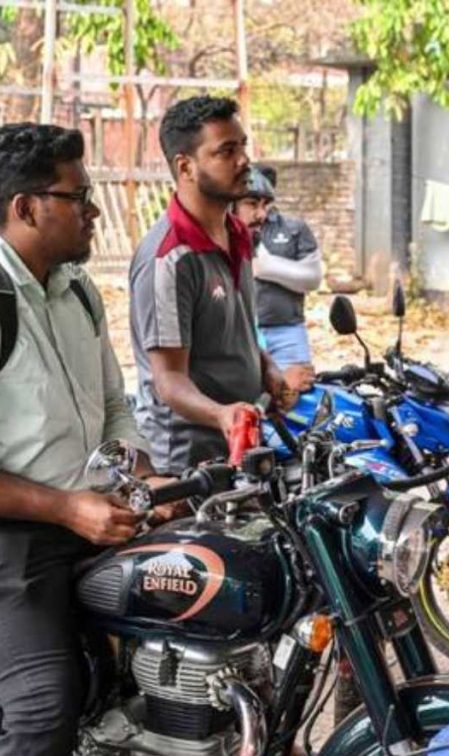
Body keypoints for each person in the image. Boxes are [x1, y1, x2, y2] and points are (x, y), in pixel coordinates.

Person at [0, 123, 167, 756]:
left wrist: (140, 476)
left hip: (79, 515)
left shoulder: (76, 289)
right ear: (26, 208)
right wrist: (66, 507)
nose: (94, 209)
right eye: (78, 196)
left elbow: (111, 408)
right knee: (46, 703)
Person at [129, 96, 294, 474]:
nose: (244, 161)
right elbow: (168, 380)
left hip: (240, 440)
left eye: (243, 147)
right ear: (185, 166)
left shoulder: (237, 232)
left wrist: (265, 366)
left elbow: (235, 329)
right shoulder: (170, 258)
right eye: (226, 151)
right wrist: (222, 414)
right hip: (186, 459)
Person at [247, 164, 323, 378]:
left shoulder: (294, 228)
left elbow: (313, 279)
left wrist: (265, 266)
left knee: (297, 398)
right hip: (244, 332)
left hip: (288, 331)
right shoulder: (229, 227)